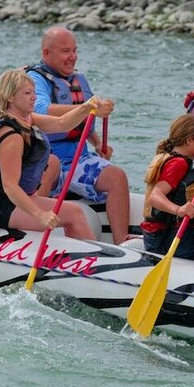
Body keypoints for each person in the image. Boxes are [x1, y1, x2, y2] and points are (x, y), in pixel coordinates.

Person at [0, 69, 98, 239]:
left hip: (8, 198)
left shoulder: (25, 118)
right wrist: (39, 215)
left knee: (74, 212)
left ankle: (86, 257)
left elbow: (61, 123)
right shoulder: (10, 136)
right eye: (27, 93)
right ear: (10, 97)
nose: (34, 97)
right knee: (73, 214)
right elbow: (10, 186)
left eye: (34, 92)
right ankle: (91, 262)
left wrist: (85, 108)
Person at [27, 26, 130, 244]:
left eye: (75, 50)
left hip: (79, 159)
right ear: (47, 53)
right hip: (46, 159)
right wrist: (89, 107)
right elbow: (41, 110)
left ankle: (123, 245)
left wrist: (98, 142)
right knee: (49, 168)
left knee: (117, 177)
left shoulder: (78, 79)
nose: (72, 57)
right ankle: (32, 238)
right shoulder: (34, 80)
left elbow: (85, 121)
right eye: (66, 51)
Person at [141, 114, 194, 260]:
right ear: (190, 140)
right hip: (167, 239)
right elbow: (155, 196)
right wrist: (179, 210)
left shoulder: (179, 160)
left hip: (165, 234)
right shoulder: (178, 164)